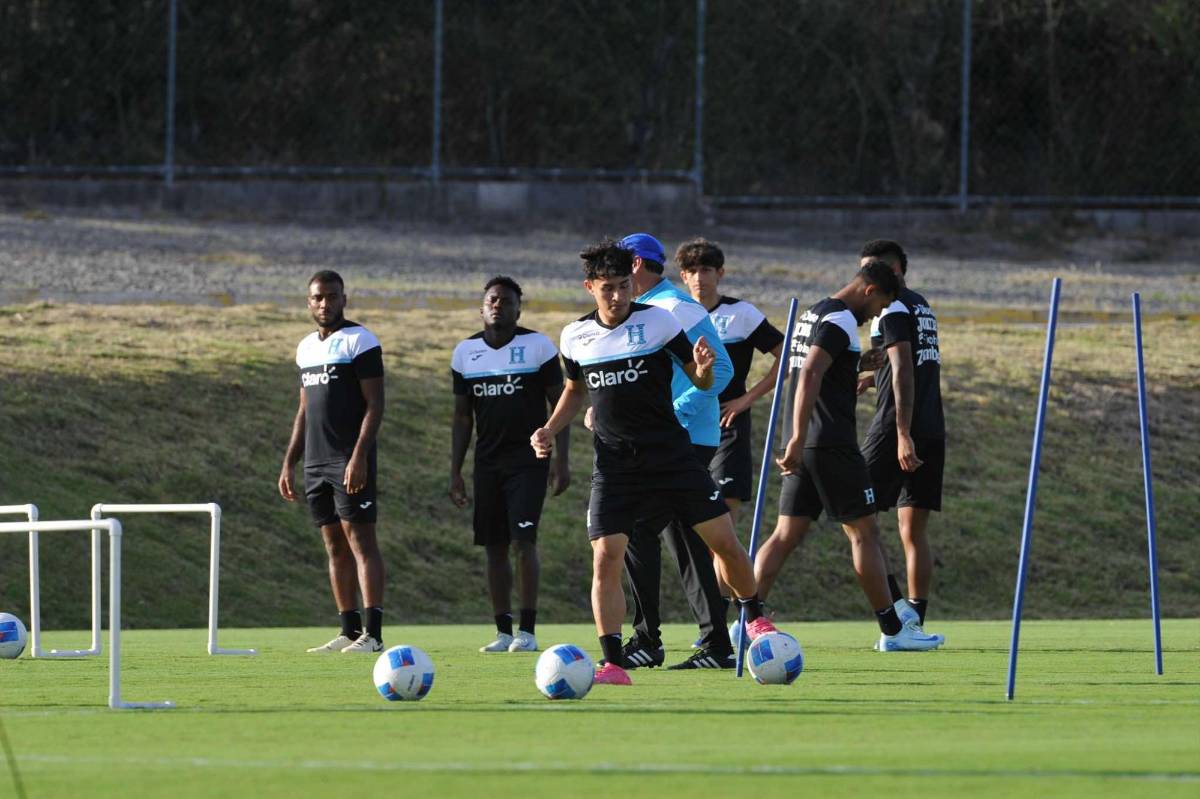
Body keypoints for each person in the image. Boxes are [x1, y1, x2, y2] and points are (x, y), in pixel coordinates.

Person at [530, 239, 779, 686]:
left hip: (672, 455)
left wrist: (702, 367)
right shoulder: (574, 336)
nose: (618, 295)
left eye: (624, 286)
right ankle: (613, 662)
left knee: (722, 538)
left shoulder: (661, 321)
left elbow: (701, 377)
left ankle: (755, 616)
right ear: (590, 287)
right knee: (606, 558)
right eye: (607, 288)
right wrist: (550, 428)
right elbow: (574, 390)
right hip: (614, 466)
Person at [755, 260, 943, 651]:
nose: (875, 316)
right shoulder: (840, 318)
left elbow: (823, 368)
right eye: (879, 307)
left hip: (806, 442)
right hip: (830, 443)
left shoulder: (813, 313)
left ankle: (746, 620)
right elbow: (808, 373)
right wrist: (799, 435)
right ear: (869, 291)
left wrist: (861, 366)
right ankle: (894, 631)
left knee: (785, 534)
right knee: (865, 533)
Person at [617, 232, 738, 671]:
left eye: (617, 266)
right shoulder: (647, 310)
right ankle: (718, 644)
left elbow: (719, 369)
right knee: (686, 541)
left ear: (634, 265)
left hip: (683, 439)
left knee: (636, 530)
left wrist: (668, 413)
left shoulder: (676, 308)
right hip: (670, 439)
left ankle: (649, 639)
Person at [450, 276, 570, 654]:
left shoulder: (538, 347)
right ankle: (503, 632)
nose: (498, 305)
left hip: (529, 460)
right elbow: (462, 418)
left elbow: (561, 405)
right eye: (491, 300)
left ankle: (528, 632)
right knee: (494, 547)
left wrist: (561, 460)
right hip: (487, 463)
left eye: (506, 300)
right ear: (481, 307)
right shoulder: (465, 353)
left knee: (523, 540)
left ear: (520, 308)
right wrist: (455, 470)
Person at [676, 238, 785, 633]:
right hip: (685, 428)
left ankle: (729, 622)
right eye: (691, 271)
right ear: (682, 276)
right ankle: (717, 623)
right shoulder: (673, 314)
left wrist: (745, 399)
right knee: (694, 536)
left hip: (727, 429)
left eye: (706, 270)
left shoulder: (741, 314)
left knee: (722, 528)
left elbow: (785, 354)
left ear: (719, 274)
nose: (699, 278)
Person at [280, 270, 387, 653]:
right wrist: (290, 461)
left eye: (331, 296)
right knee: (333, 546)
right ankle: (348, 629)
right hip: (316, 463)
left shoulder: (360, 341)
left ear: (344, 298)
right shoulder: (306, 348)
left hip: (348, 459)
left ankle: (373, 635)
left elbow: (375, 405)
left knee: (361, 542)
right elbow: (304, 409)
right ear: (309, 302)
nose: (325, 304)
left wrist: (359, 456)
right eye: (317, 298)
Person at [857, 240, 945, 638]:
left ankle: (893, 611)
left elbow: (903, 368)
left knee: (858, 517)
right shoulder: (920, 304)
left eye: (869, 271)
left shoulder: (890, 308)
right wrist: (867, 376)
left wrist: (901, 434)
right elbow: (895, 361)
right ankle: (915, 616)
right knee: (913, 530)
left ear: (889, 272)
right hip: (932, 425)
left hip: (897, 425)